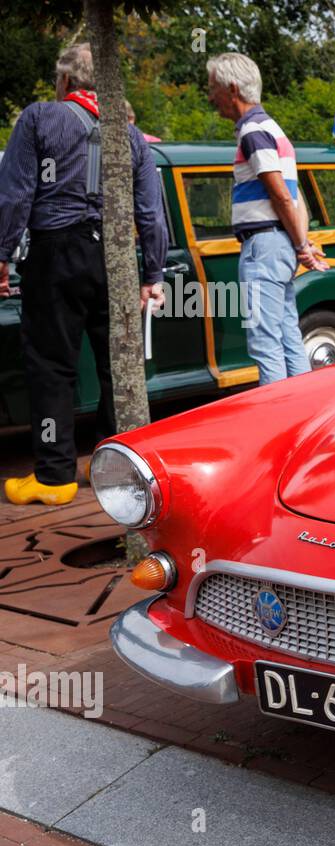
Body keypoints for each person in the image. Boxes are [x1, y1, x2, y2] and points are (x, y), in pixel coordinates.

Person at [0, 43, 167, 506]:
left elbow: (14, 194)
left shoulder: (38, 117)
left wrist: (1, 252)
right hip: (114, 259)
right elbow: (151, 214)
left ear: (65, 81)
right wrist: (151, 273)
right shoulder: (131, 137)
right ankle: (117, 470)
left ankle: (54, 477)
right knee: (118, 364)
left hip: (54, 255)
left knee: (52, 365)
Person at [206, 52, 327, 386]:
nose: (209, 96)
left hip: (264, 244)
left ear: (232, 88)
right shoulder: (272, 128)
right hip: (279, 242)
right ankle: (304, 411)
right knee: (287, 334)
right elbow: (294, 194)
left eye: (212, 87)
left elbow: (281, 195)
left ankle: (276, 422)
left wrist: (302, 243)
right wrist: (301, 243)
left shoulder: (253, 131)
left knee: (264, 341)